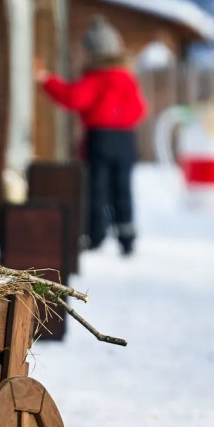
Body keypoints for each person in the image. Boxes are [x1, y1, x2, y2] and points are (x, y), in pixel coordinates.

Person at [37, 15, 148, 256]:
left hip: (100, 139)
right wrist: (120, 115)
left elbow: (73, 98)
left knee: (97, 187)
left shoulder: (95, 78)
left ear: (93, 52)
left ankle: (96, 235)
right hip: (126, 139)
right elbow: (140, 109)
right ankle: (127, 237)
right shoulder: (127, 78)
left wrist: (48, 81)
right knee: (123, 188)